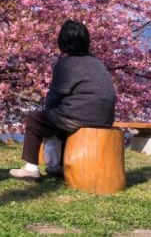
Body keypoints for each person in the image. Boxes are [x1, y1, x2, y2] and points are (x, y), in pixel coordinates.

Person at [10, 20, 116, 180]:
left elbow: (53, 97)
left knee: (35, 119)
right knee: (61, 117)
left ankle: (31, 168)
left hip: (79, 116)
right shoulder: (97, 63)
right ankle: (58, 164)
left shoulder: (66, 64)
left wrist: (49, 112)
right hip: (105, 118)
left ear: (62, 42)